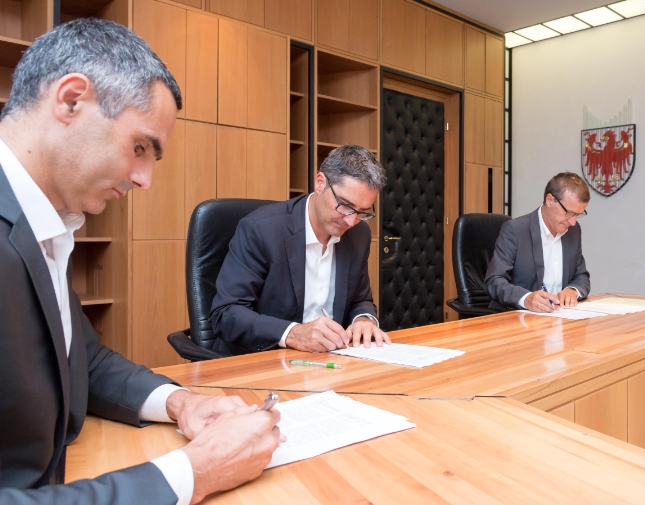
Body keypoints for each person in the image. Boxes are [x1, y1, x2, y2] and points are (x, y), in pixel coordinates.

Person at [0, 19, 283, 504]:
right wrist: (193, 473)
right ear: (71, 100)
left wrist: (180, 402)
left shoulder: (43, 224)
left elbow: (76, 360)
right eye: (139, 147)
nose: (144, 179)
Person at [210, 145, 389, 355]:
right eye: (345, 205)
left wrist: (364, 320)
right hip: (262, 359)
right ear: (320, 183)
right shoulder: (261, 230)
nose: (351, 221)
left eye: (362, 212)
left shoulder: (359, 235)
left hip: (329, 360)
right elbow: (226, 313)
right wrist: (293, 333)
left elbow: (360, 299)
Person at [485, 172, 591, 312]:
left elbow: (581, 275)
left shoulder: (573, 231)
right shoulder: (515, 230)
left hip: (559, 316)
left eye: (578, 214)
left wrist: (572, 290)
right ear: (549, 200)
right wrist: (526, 298)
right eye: (569, 213)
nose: (573, 222)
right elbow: (494, 281)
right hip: (518, 317)